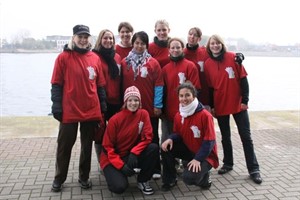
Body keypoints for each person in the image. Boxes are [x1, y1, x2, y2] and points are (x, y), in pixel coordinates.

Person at [50, 24, 106, 192]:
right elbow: (56, 84)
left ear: (89, 39)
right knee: (64, 145)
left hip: (90, 109)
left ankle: (84, 176)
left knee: (87, 146)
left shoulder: (95, 58)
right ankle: (59, 178)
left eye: (86, 37)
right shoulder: (63, 58)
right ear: (73, 38)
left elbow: (100, 85)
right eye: (80, 36)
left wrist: (102, 104)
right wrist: (56, 105)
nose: (83, 40)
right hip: (69, 110)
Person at [204, 34, 262, 184]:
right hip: (220, 105)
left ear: (222, 45)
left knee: (246, 137)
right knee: (225, 137)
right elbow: (210, 88)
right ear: (209, 47)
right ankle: (228, 164)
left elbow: (244, 81)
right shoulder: (208, 63)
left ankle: (254, 169)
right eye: (212, 44)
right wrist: (212, 106)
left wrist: (245, 101)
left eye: (218, 43)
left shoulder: (234, 58)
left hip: (238, 104)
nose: (215, 46)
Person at [100, 86, 159, 195]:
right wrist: (121, 166)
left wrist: (134, 152)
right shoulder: (115, 120)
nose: (133, 103)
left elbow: (148, 137)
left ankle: (143, 180)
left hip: (129, 154)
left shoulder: (143, 114)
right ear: (125, 102)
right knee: (119, 187)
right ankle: (113, 174)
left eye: (136, 100)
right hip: (111, 158)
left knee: (153, 148)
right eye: (130, 100)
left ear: (140, 101)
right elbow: (107, 147)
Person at [161, 82, 219, 191]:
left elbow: (209, 141)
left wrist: (198, 159)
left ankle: (205, 179)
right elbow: (177, 133)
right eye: (181, 96)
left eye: (187, 95)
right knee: (165, 148)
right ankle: (170, 180)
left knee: (188, 178)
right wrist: (170, 138)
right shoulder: (179, 115)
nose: (184, 98)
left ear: (194, 96)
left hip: (206, 155)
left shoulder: (205, 115)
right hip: (190, 150)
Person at [121, 31, 164, 179]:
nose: (139, 46)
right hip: (130, 108)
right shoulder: (125, 62)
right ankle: (137, 165)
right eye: (137, 43)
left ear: (146, 45)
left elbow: (159, 85)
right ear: (133, 44)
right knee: (134, 137)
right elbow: (121, 85)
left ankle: (156, 168)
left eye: (142, 43)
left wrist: (157, 105)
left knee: (152, 138)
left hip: (149, 108)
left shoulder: (153, 63)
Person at [161, 37, 201, 143]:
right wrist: (162, 109)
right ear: (169, 50)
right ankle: (168, 160)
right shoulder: (165, 69)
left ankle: (186, 160)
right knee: (166, 141)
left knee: (186, 141)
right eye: (172, 47)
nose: (175, 50)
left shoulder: (190, 66)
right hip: (169, 113)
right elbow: (162, 91)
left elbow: (195, 90)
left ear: (182, 48)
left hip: (187, 113)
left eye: (178, 47)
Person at [92, 29, 122, 165]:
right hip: (101, 101)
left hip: (116, 100)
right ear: (100, 40)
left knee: (116, 133)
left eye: (111, 38)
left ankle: (116, 159)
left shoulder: (117, 57)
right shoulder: (94, 56)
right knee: (100, 134)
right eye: (105, 38)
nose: (108, 41)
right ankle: (102, 162)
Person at [183, 27, 210, 106]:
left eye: (195, 35)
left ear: (199, 38)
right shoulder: (182, 53)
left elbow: (219, 54)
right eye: (190, 34)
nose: (192, 37)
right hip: (188, 93)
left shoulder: (205, 52)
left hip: (204, 92)